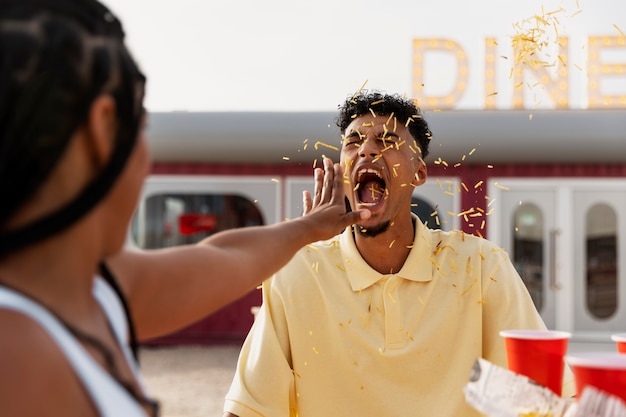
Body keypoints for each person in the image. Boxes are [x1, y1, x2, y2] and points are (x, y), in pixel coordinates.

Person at [0, 1, 370, 416]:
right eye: (141, 128)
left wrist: (307, 228)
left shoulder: (98, 290)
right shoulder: (16, 357)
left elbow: (226, 257)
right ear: (102, 129)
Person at [223, 90, 574, 417]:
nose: (367, 150)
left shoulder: (480, 266)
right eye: (354, 142)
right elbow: (248, 409)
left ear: (419, 172)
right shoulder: (296, 271)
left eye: (387, 140)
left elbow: (543, 398)